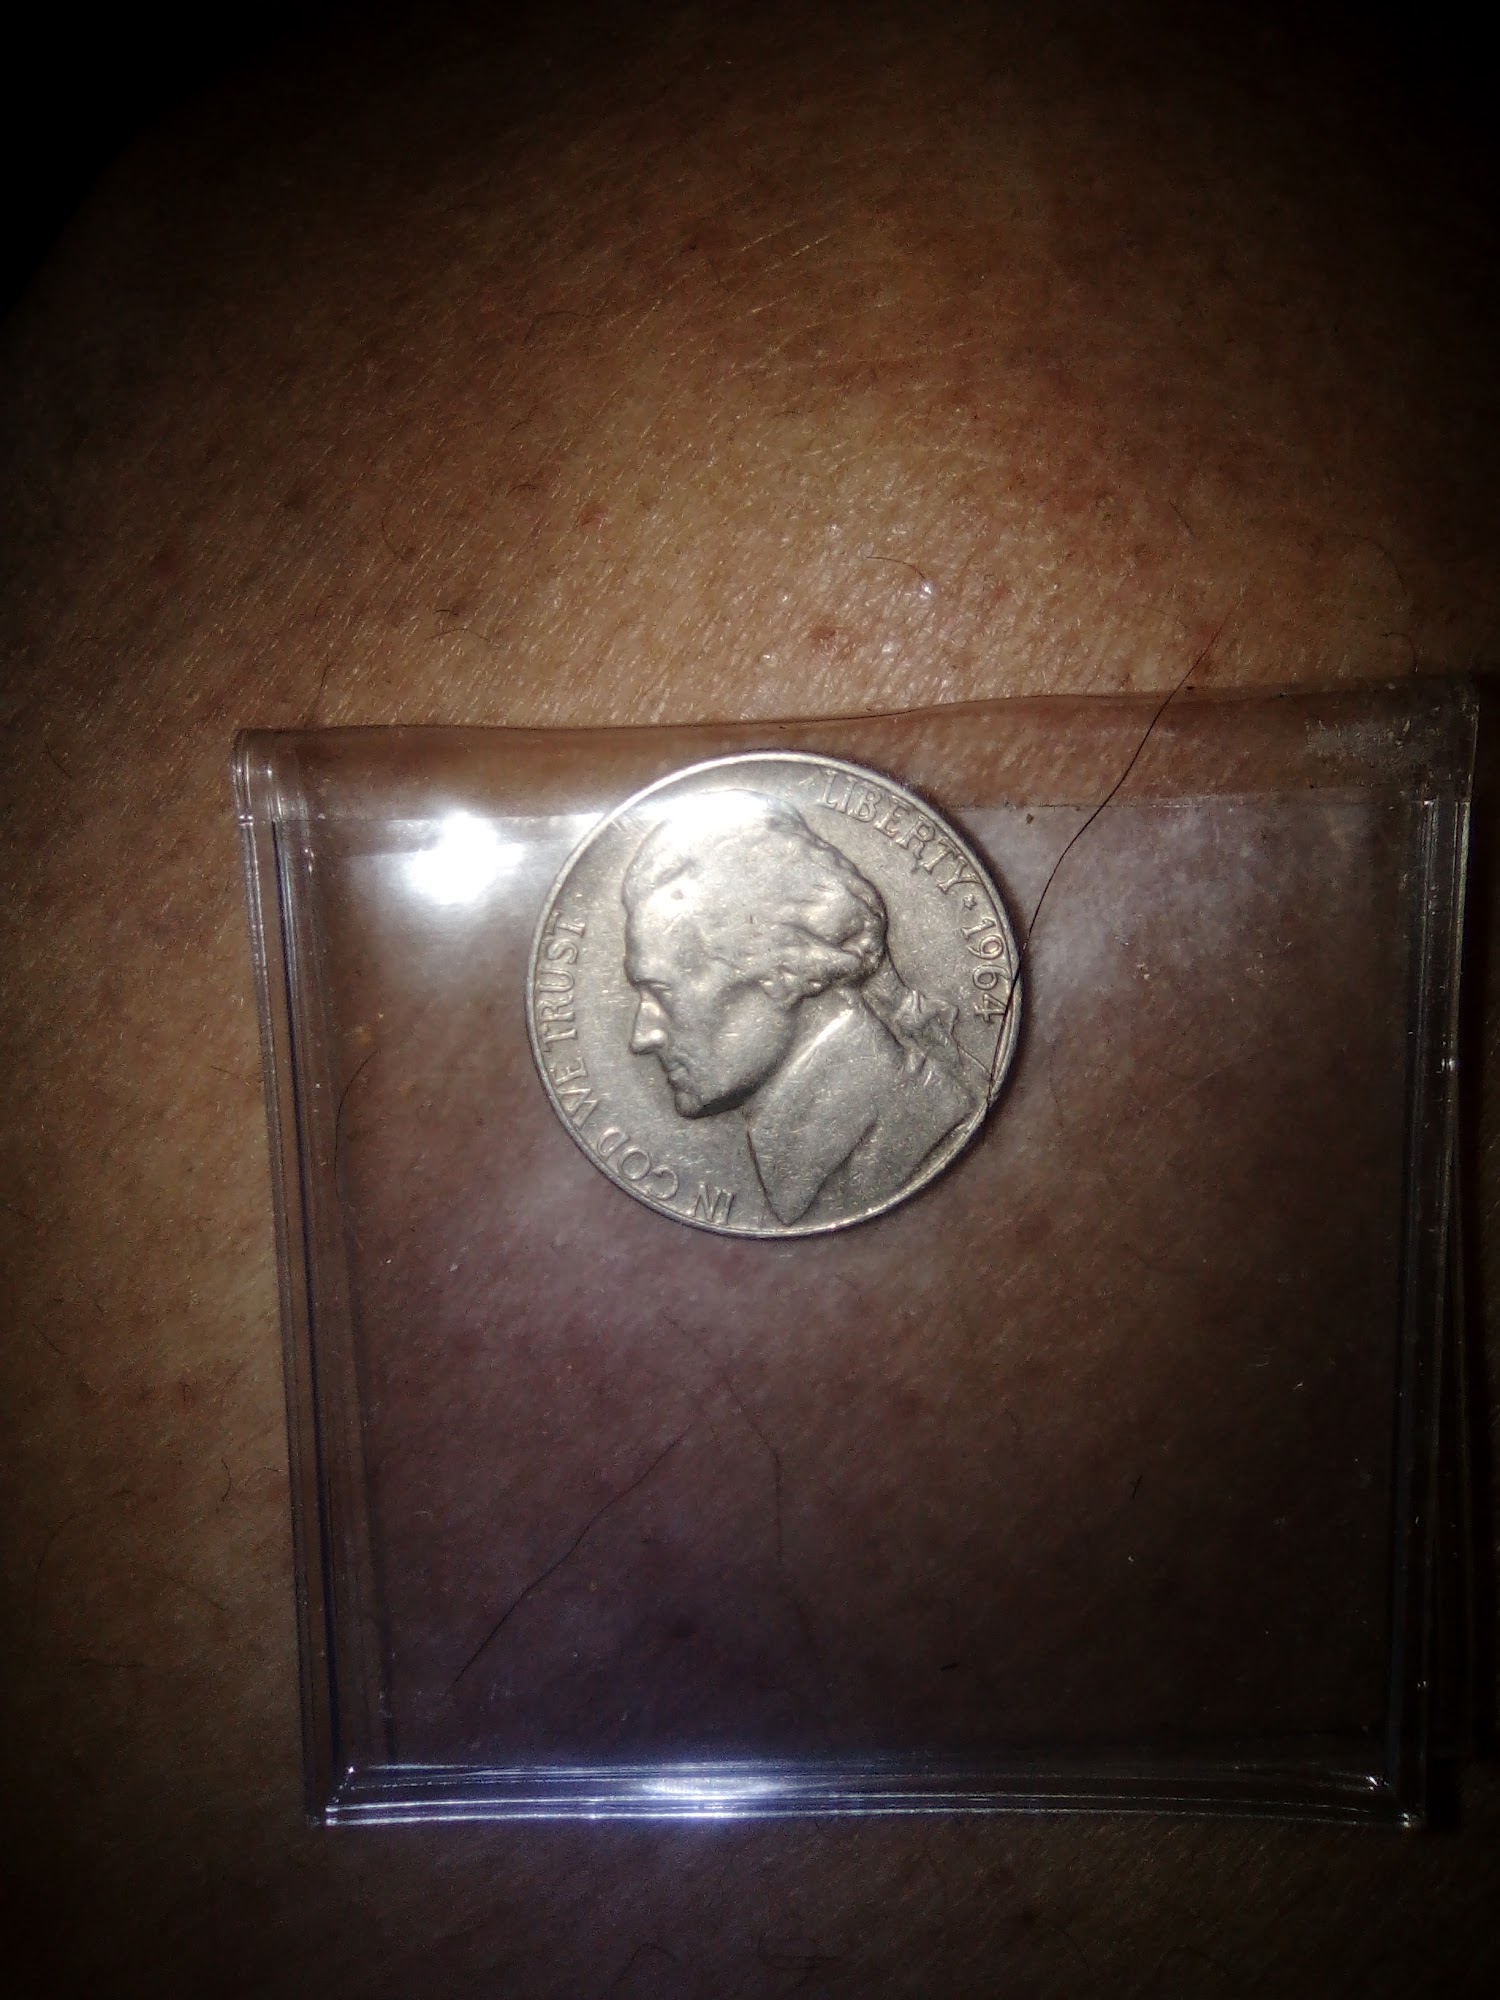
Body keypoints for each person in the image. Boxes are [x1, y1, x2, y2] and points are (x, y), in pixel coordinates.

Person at [621, 789, 980, 1226]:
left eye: (663, 993)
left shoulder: (905, 1139)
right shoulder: (839, 1153)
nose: (642, 1037)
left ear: (786, 968)